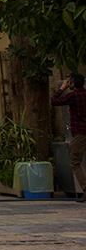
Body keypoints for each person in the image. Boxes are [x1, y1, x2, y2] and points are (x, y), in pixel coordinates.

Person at [51, 74, 86, 203]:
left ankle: (85, 189)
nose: (68, 84)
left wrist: (62, 88)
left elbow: (54, 101)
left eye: (69, 82)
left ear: (73, 83)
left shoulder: (73, 95)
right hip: (82, 131)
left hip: (80, 133)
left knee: (75, 162)